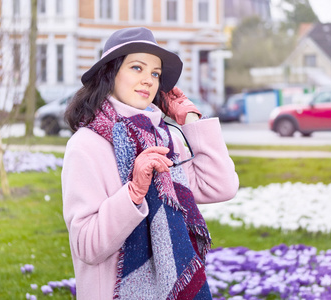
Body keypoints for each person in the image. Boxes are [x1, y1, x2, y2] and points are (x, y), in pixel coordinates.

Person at [61, 27, 239, 300]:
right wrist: (133, 193)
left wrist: (191, 119)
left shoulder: (163, 138)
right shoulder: (85, 146)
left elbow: (220, 186)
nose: (148, 80)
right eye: (136, 67)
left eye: (155, 73)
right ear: (110, 73)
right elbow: (87, 246)